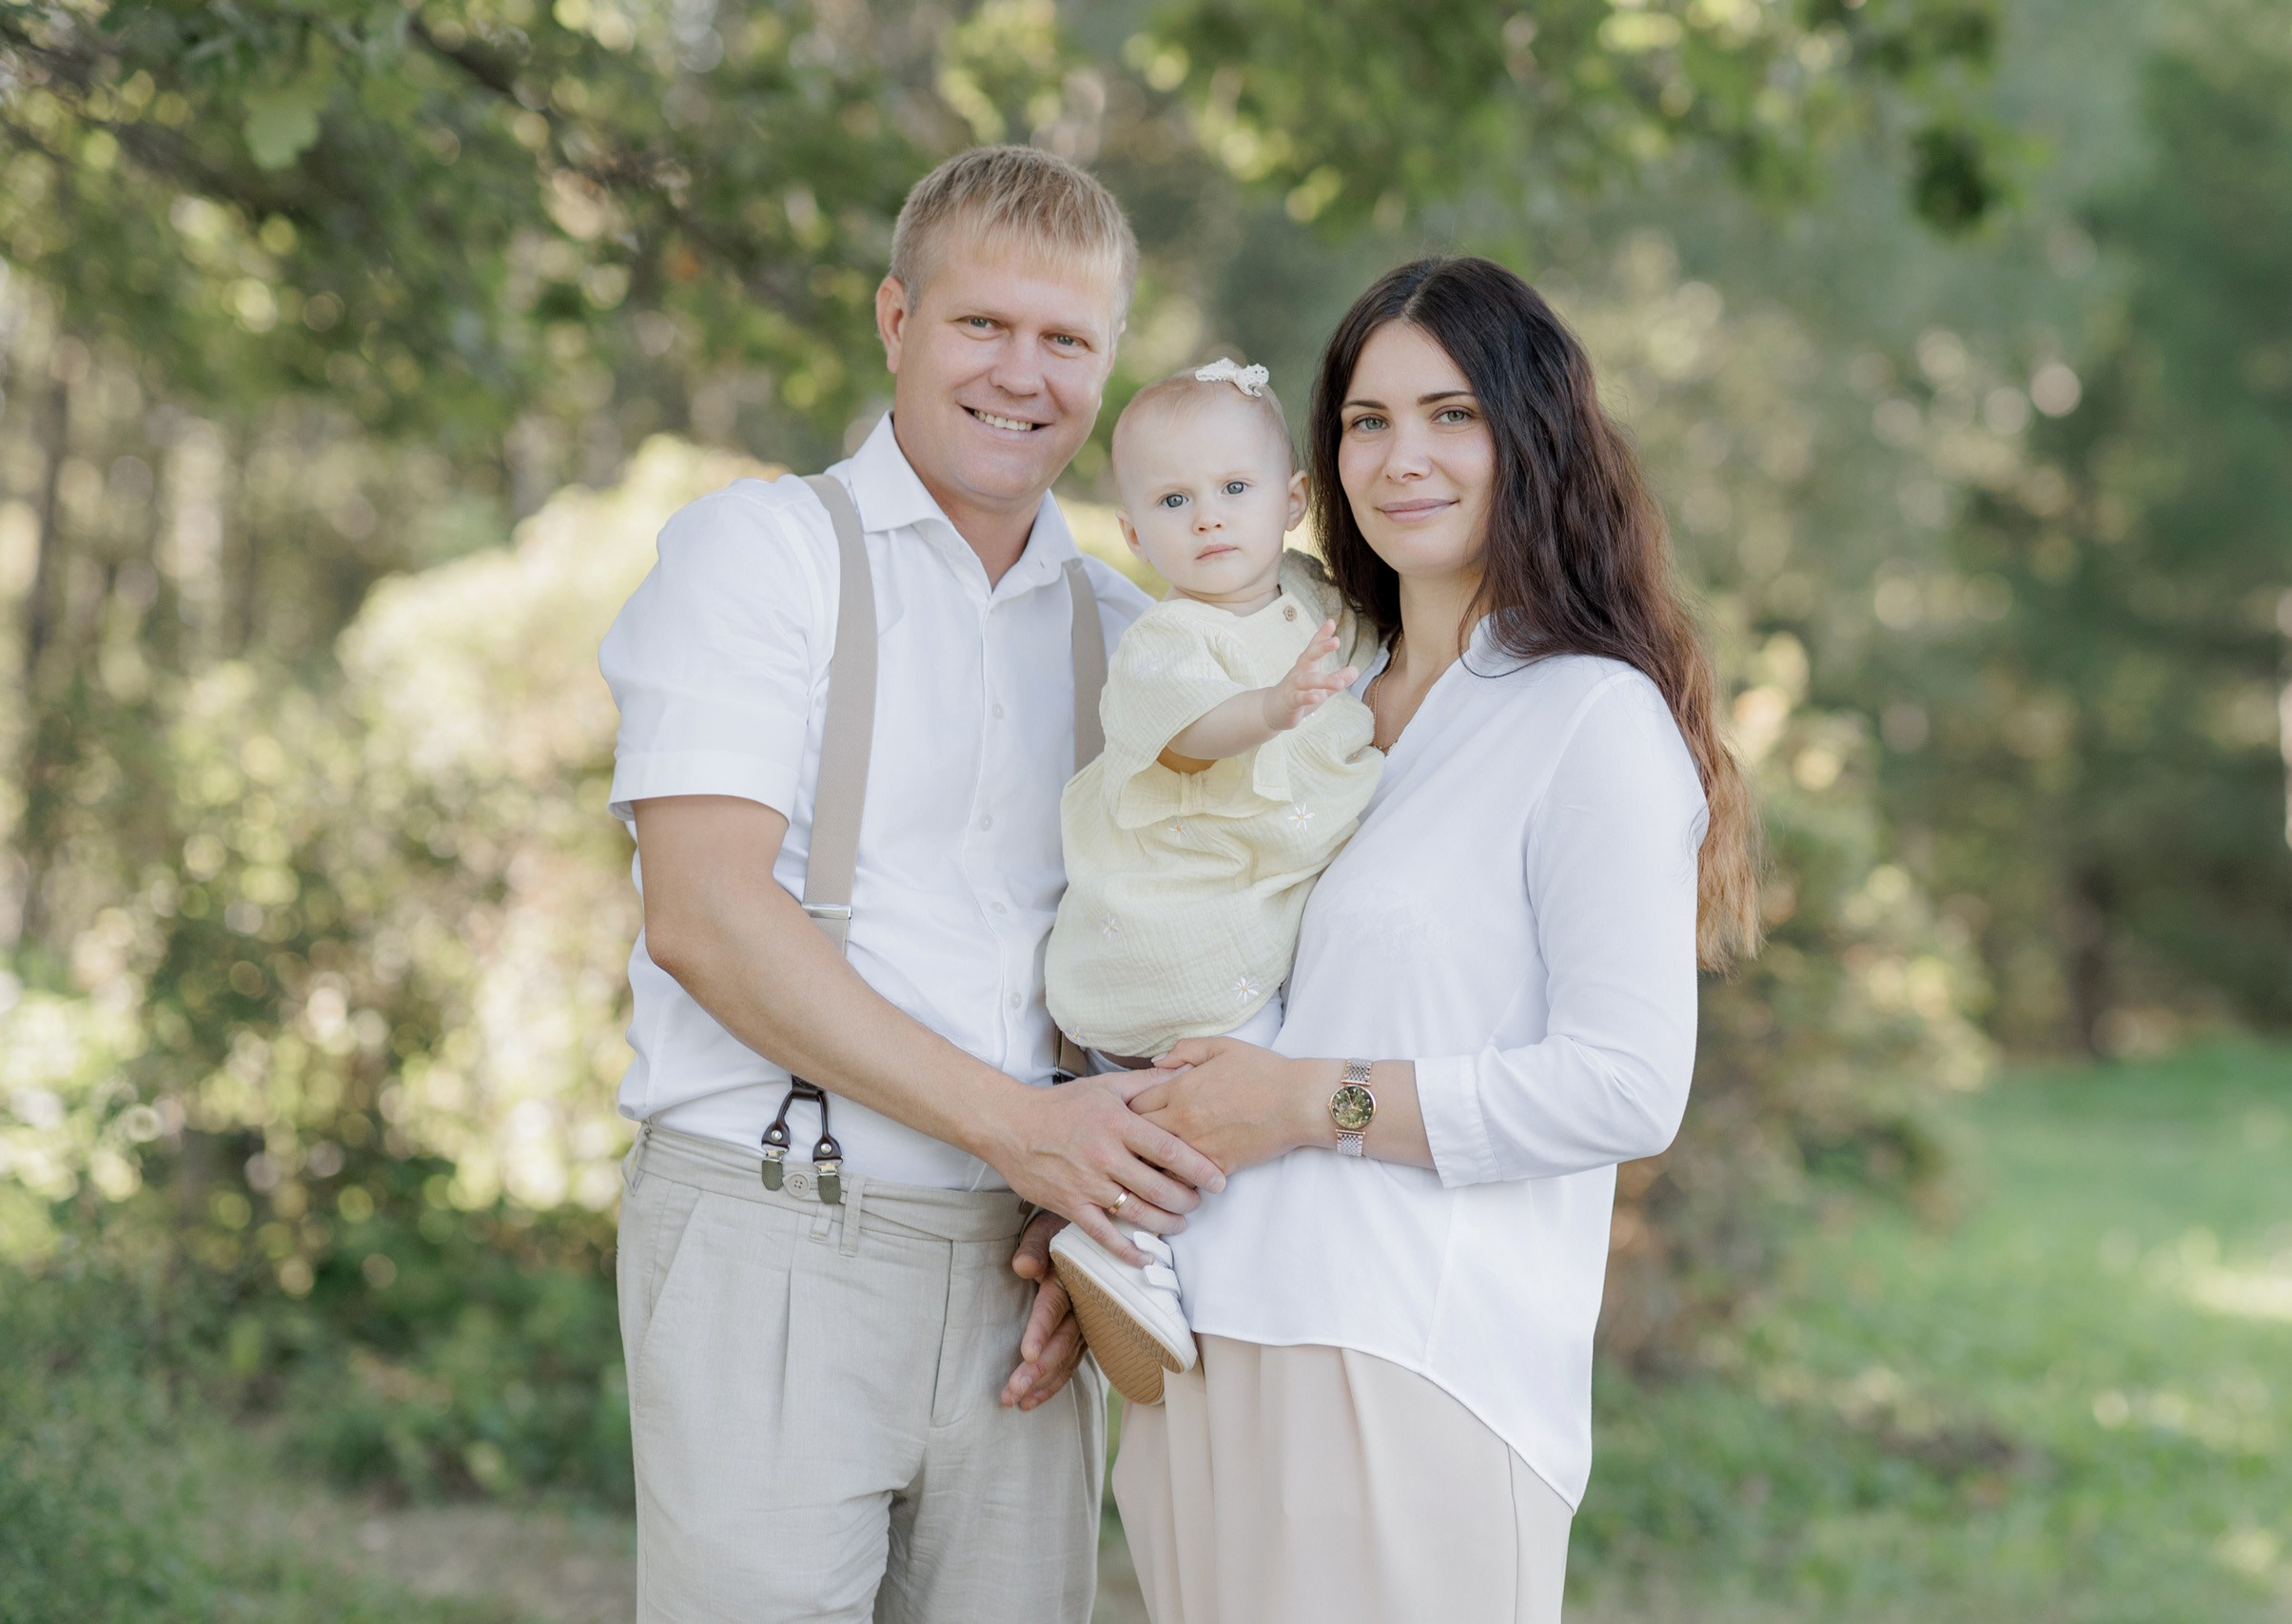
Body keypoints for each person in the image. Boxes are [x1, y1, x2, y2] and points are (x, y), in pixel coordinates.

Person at [597, 146, 1227, 1624]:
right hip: (776, 1228)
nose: (1025, 374)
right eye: (982, 326)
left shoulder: (1136, 634)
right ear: (896, 321)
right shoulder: (761, 555)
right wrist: (1027, 1126)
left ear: (1108, 363)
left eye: (1067, 340)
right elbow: (703, 913)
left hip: (1026, 1275)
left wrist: (1096, 1228)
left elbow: (1171, 948)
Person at [1106, 256, 1765, 1623]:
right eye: (1366, 419)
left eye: (1450, 413)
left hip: (1414, 1362)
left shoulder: (1586, 718)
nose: (1403, 455)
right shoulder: (1308, 694)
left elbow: (1625, 1085)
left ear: (1530, 435)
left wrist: (1308, 1101)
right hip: (1208, 1340)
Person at [1040, 358, 1383, 1405]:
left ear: (1290, 503)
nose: (1209, 520)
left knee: (1242, 1080)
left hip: (1243, 903)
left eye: (1234, 491)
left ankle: (1138, 1236)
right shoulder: (1167, 640)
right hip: (1177, 928)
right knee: (1238, 1080)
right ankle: (1128, 1243)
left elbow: (1371, 645)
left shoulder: (1308, 596)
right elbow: (1192, 738)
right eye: (1174, 502)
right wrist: (1270, 712)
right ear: (1136, 534)